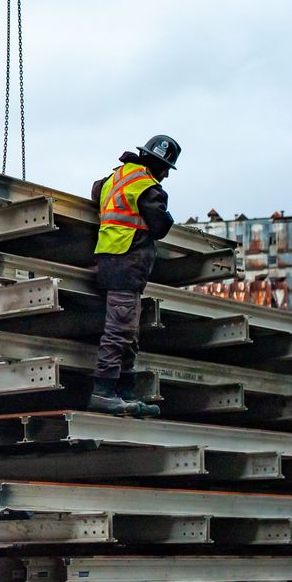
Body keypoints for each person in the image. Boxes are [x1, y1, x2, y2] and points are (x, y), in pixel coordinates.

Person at [88, 135, 181, 416]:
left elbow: (95, 191)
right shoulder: (148, 187)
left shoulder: (116, 177)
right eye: (166, 170)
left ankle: (125, 394)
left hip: (110, 260)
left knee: (128, 332)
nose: (165, 176)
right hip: (126, 265)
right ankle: (104, 393)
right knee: (119, 332)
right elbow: (160, 226)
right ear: (160, 166)